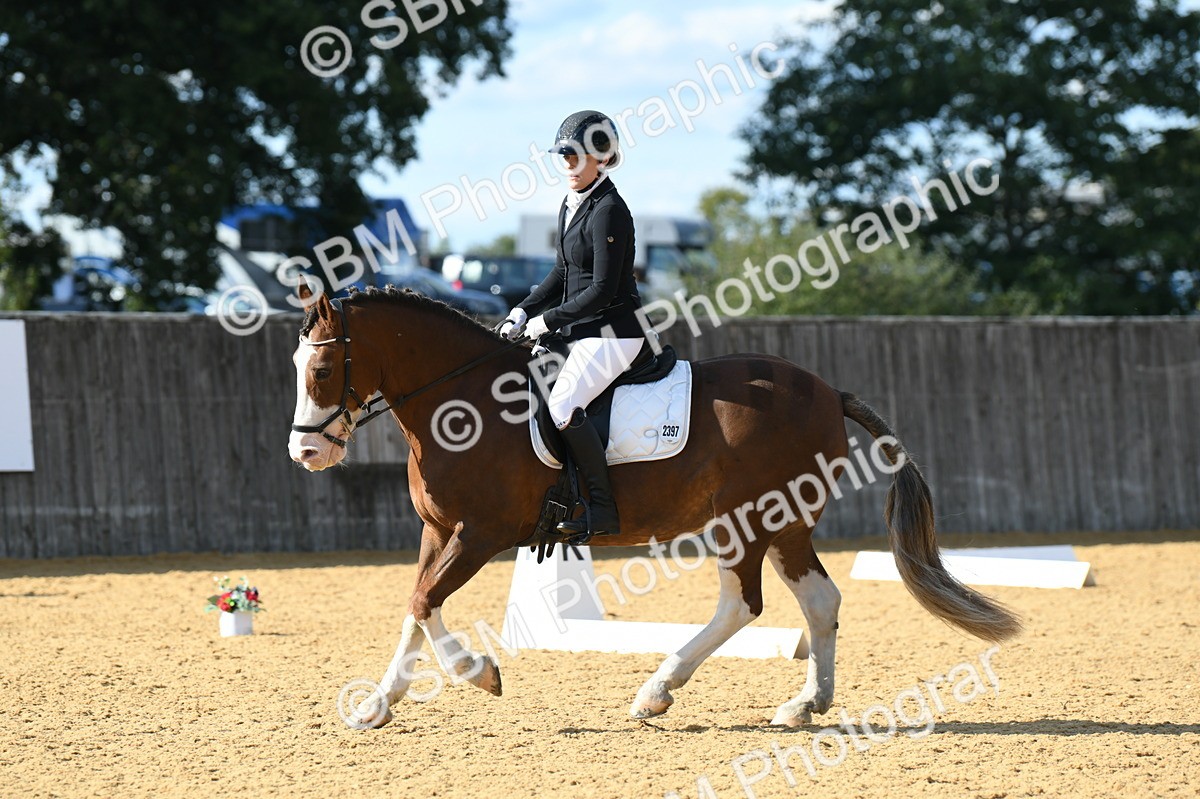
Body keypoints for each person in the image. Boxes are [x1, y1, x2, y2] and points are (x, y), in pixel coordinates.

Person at [499, 110, 646, 539]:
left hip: (615, 333)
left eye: (574, 155)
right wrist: (522, 310)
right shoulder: (570, 204)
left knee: (563, 407)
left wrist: (546, 321)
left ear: (600, 158)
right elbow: (562, 275)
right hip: (579, 332)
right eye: (561, 154)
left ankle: (602, 509)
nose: (565, 163)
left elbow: (601, 289)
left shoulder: (610, 210)